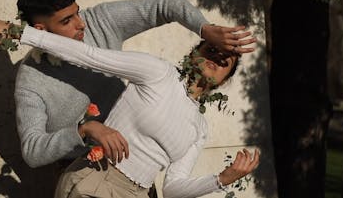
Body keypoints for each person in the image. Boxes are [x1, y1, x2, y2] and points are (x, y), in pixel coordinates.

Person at [0, 0, 256, 177]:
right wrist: (84, 130)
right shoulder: (31, 82)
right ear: (40, 30)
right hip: (86, 176)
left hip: (136, 172)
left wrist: (205, 29)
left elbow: (164, 4)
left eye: (77, 12)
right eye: (67, 21)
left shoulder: (100, 21)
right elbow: (32, 150)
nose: (82, 24)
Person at [17, 24, 260, 198]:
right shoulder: (159, 72)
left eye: (225, 61)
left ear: (225, 79)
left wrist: (221, 180)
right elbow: (89, 56)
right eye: (213, 49)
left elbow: (172, 189)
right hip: (99, 180)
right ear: (195, 52)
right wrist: (19, 33)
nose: (217, 58)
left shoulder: (199, 126)